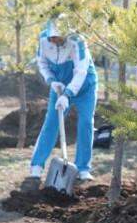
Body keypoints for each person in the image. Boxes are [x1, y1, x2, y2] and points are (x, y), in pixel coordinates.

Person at [29, 18, 98, 181]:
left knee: (86, 123)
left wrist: (68, 94)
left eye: (59, 38)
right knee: (51, 123)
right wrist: (51, 81)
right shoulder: (43, 39)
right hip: (59, 85)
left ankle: (82, 168)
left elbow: (81, 71)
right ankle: (36, 166)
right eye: (53, 38)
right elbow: (42, 63)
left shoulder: (77, 41)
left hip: (85, 86)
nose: (55, 41)